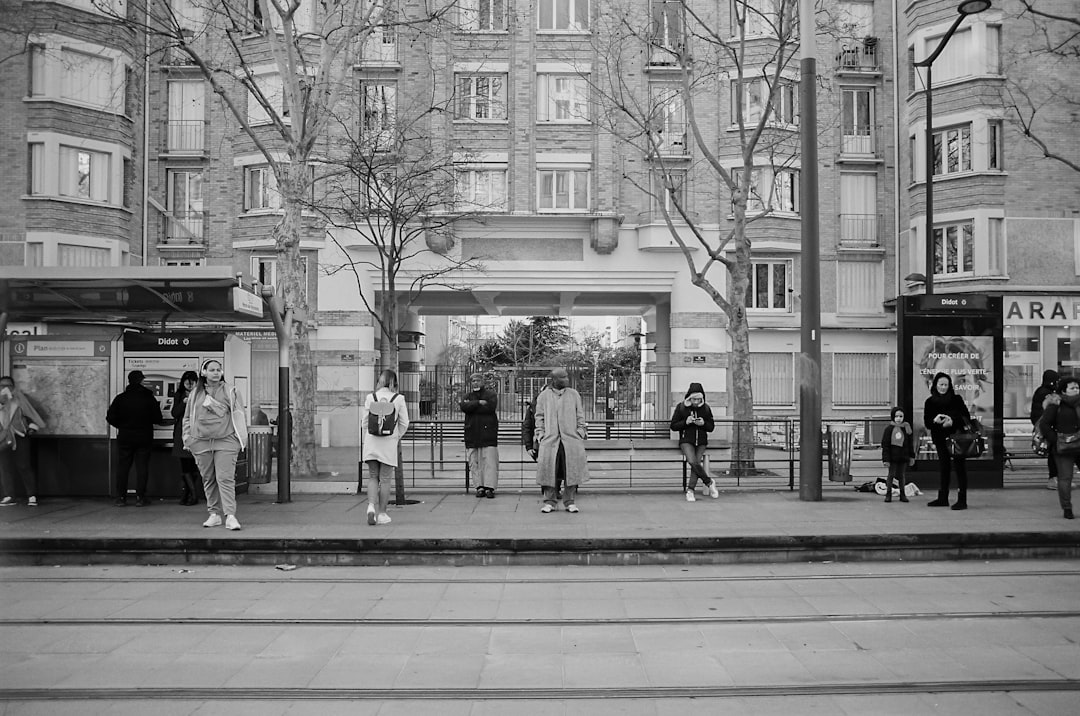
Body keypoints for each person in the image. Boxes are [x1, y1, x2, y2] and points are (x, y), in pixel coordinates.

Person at [182, 359, 248, 530]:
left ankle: (230, 515)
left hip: (226, 440)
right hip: (201, 442)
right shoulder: (195, 394)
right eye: (212, 370)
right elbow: (187, 417)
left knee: (224, 478)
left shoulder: (230, 391)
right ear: (203, 372)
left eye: (218, 369)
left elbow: (239, 414)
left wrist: (240, 439)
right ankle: (214, 514)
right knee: (208, 478)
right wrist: (187, 438)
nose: (216, 373)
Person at [534, 367, 589, 513]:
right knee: (550, 470)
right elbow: (539, 416)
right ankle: (549, 501)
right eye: (563, 377)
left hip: (571, 440)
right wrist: (540, 434)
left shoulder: (573, 394)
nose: (567, 379)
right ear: (554, 380)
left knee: (570, 471)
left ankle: (569, 501)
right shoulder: (544, 396)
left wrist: (580, 431)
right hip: (550, 440)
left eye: (566, 377)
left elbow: (580, 415)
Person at [106, 370, 164, 507]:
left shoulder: (120, 398)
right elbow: (158, 418)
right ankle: (140, 497)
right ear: (140, 381)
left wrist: (122, 426)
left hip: (125, 436)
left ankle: (121, 497)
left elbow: (110, 417)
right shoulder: (148, 398)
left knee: (123, 467)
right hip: (144, 436)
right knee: (142, 467)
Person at [361, 369, 409, 526]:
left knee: (373, 476)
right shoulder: (398, 398)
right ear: (394, 382)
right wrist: (395, 436)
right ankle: (382, 513)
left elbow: (364, 423)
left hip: (371, 442)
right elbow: (404, 423)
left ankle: (370, 507)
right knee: (386, 479)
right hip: (388, 443)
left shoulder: (370, 397)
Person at [923, 371, 974, 510]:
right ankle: (943, 497)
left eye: (946, 384)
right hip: (940, 438)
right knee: (944, 467)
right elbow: (927, 423)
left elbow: (966, 417)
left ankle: (962, 499)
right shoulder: (930, 402)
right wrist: (935, 420)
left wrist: (952, 421)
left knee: (959, 468)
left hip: (957, 438)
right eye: (941, 384)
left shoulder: (956, 399)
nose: (943, 387)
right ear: (935, 385)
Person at [1037, 375, 1080, 520]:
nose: (1076, 390)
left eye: (1077, 387)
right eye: (1072, 388)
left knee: (1065, 478)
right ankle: (1067, 508)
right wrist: (1055, 440)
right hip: (1063, 447)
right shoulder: (1056, 404)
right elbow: (1044, 424)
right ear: (1064, 390)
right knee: (1065, 478)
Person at [0, 376, 47, 507]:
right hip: (3, 438)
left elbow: (32, 415)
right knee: (4, 467)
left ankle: (31, 495)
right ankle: (9, 495)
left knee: (24, 465)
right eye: (2, 385)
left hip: (20, 436)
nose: (5, 388)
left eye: (9, 385)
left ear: (13, 387)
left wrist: (32, 429)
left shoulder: (20, 400)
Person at [669, 382, 718, 502]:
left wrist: (703, 424)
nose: (696, 402)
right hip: (686, 440)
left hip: (701, 441)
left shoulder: (706, 408)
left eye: (699, 399)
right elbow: (673, 426)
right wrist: (685, 422)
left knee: (695, 465)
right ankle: (709, 482)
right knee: (692, 461)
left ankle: (690, 490)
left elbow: (711, 427)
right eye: (694, 399)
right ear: (690, 397)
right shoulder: (681, 407)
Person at [460, 372, 499, 499]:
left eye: (477, 380)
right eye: (473, 381)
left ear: (482, 381)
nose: (475, 383)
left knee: (489, 462)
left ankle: (489, 487)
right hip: (472, 434)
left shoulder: (491, 395)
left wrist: (473, 405)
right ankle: (479, 486)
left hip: (488, 434)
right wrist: (478, 403)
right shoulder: (467, 396)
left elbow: (490, 408)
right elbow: (464, 406)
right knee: (474, 462)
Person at [171, 370, 201, 506]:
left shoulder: (201, 395)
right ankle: (191, 495)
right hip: (181, 433)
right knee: (185, 466)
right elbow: (174, 413)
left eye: (192, 382)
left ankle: (188, 495)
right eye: (186, 382)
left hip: (196, 433)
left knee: (194, 466)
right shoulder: (179, 395)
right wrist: (184, 402)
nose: (189, 385)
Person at [1031, 369, 1060, 491]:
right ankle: (1054, 479)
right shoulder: (1046, 393)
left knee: (1055, 453)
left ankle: (1056, 479)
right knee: (1055, 453)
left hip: (1045, 426)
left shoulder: (1041, 391)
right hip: (1048, 427)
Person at [880, 406, 915, 504]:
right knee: (891, 475)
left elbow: (910, 444)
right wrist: (885, 459)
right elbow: (885, 445)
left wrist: (912, 456)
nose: (899, 418)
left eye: (901, 416)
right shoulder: (889, 429)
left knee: (901, 475)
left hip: (903, 457)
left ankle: (902, 494)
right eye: (896, 416)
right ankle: (888, 493)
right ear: (893, 417)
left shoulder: (907, 428)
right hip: (892, 457)